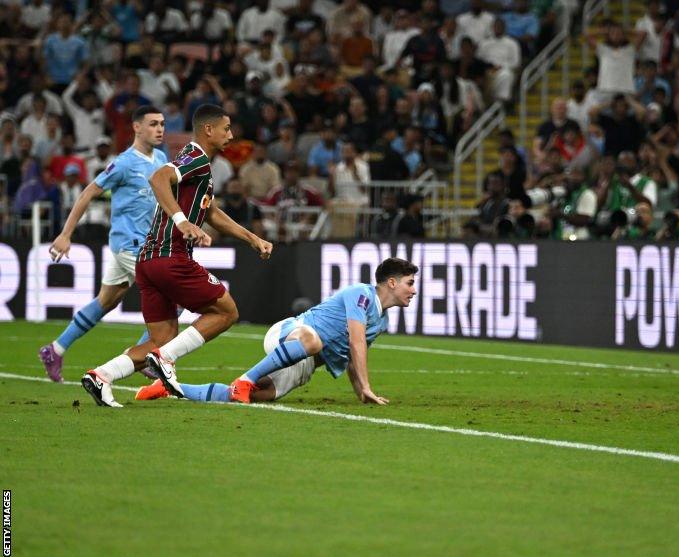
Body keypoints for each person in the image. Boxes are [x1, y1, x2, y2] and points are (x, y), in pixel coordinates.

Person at [80, 104, 274, 408]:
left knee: (161, 338)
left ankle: (101, 376)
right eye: (226, 129)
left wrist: (252, 238)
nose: (231, 135)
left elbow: (211, 211)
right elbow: (158, 179)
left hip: (149, 261)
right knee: (226, 312)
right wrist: (183, 222)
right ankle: (166, 360)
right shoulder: (195, 155)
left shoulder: (200, 166)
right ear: (208, 130)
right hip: (171, 257)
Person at [136, 257, 418, 405]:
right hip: (291, 333)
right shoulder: (362, 294)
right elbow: (355, 340)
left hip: (304, 363)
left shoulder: (382, 322)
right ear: (391, 283)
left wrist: (361, 392)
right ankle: (246, 378)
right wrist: (367, 386)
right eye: (409, 283)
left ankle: (171, 389)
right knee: (312, 339)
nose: (413, 290)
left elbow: (352, 357)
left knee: (253, 397)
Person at [39, 105, 167, 382]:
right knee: (171, 296)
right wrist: (65, 233)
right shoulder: (123, 163)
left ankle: (55, 349)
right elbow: (88, 193)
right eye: (154, 124)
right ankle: (145, 355)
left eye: (162, 124)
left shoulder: (161, 159)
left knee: (107, 300)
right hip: (129, 245)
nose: (160, 129)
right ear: (136, 127)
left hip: (147, 244)